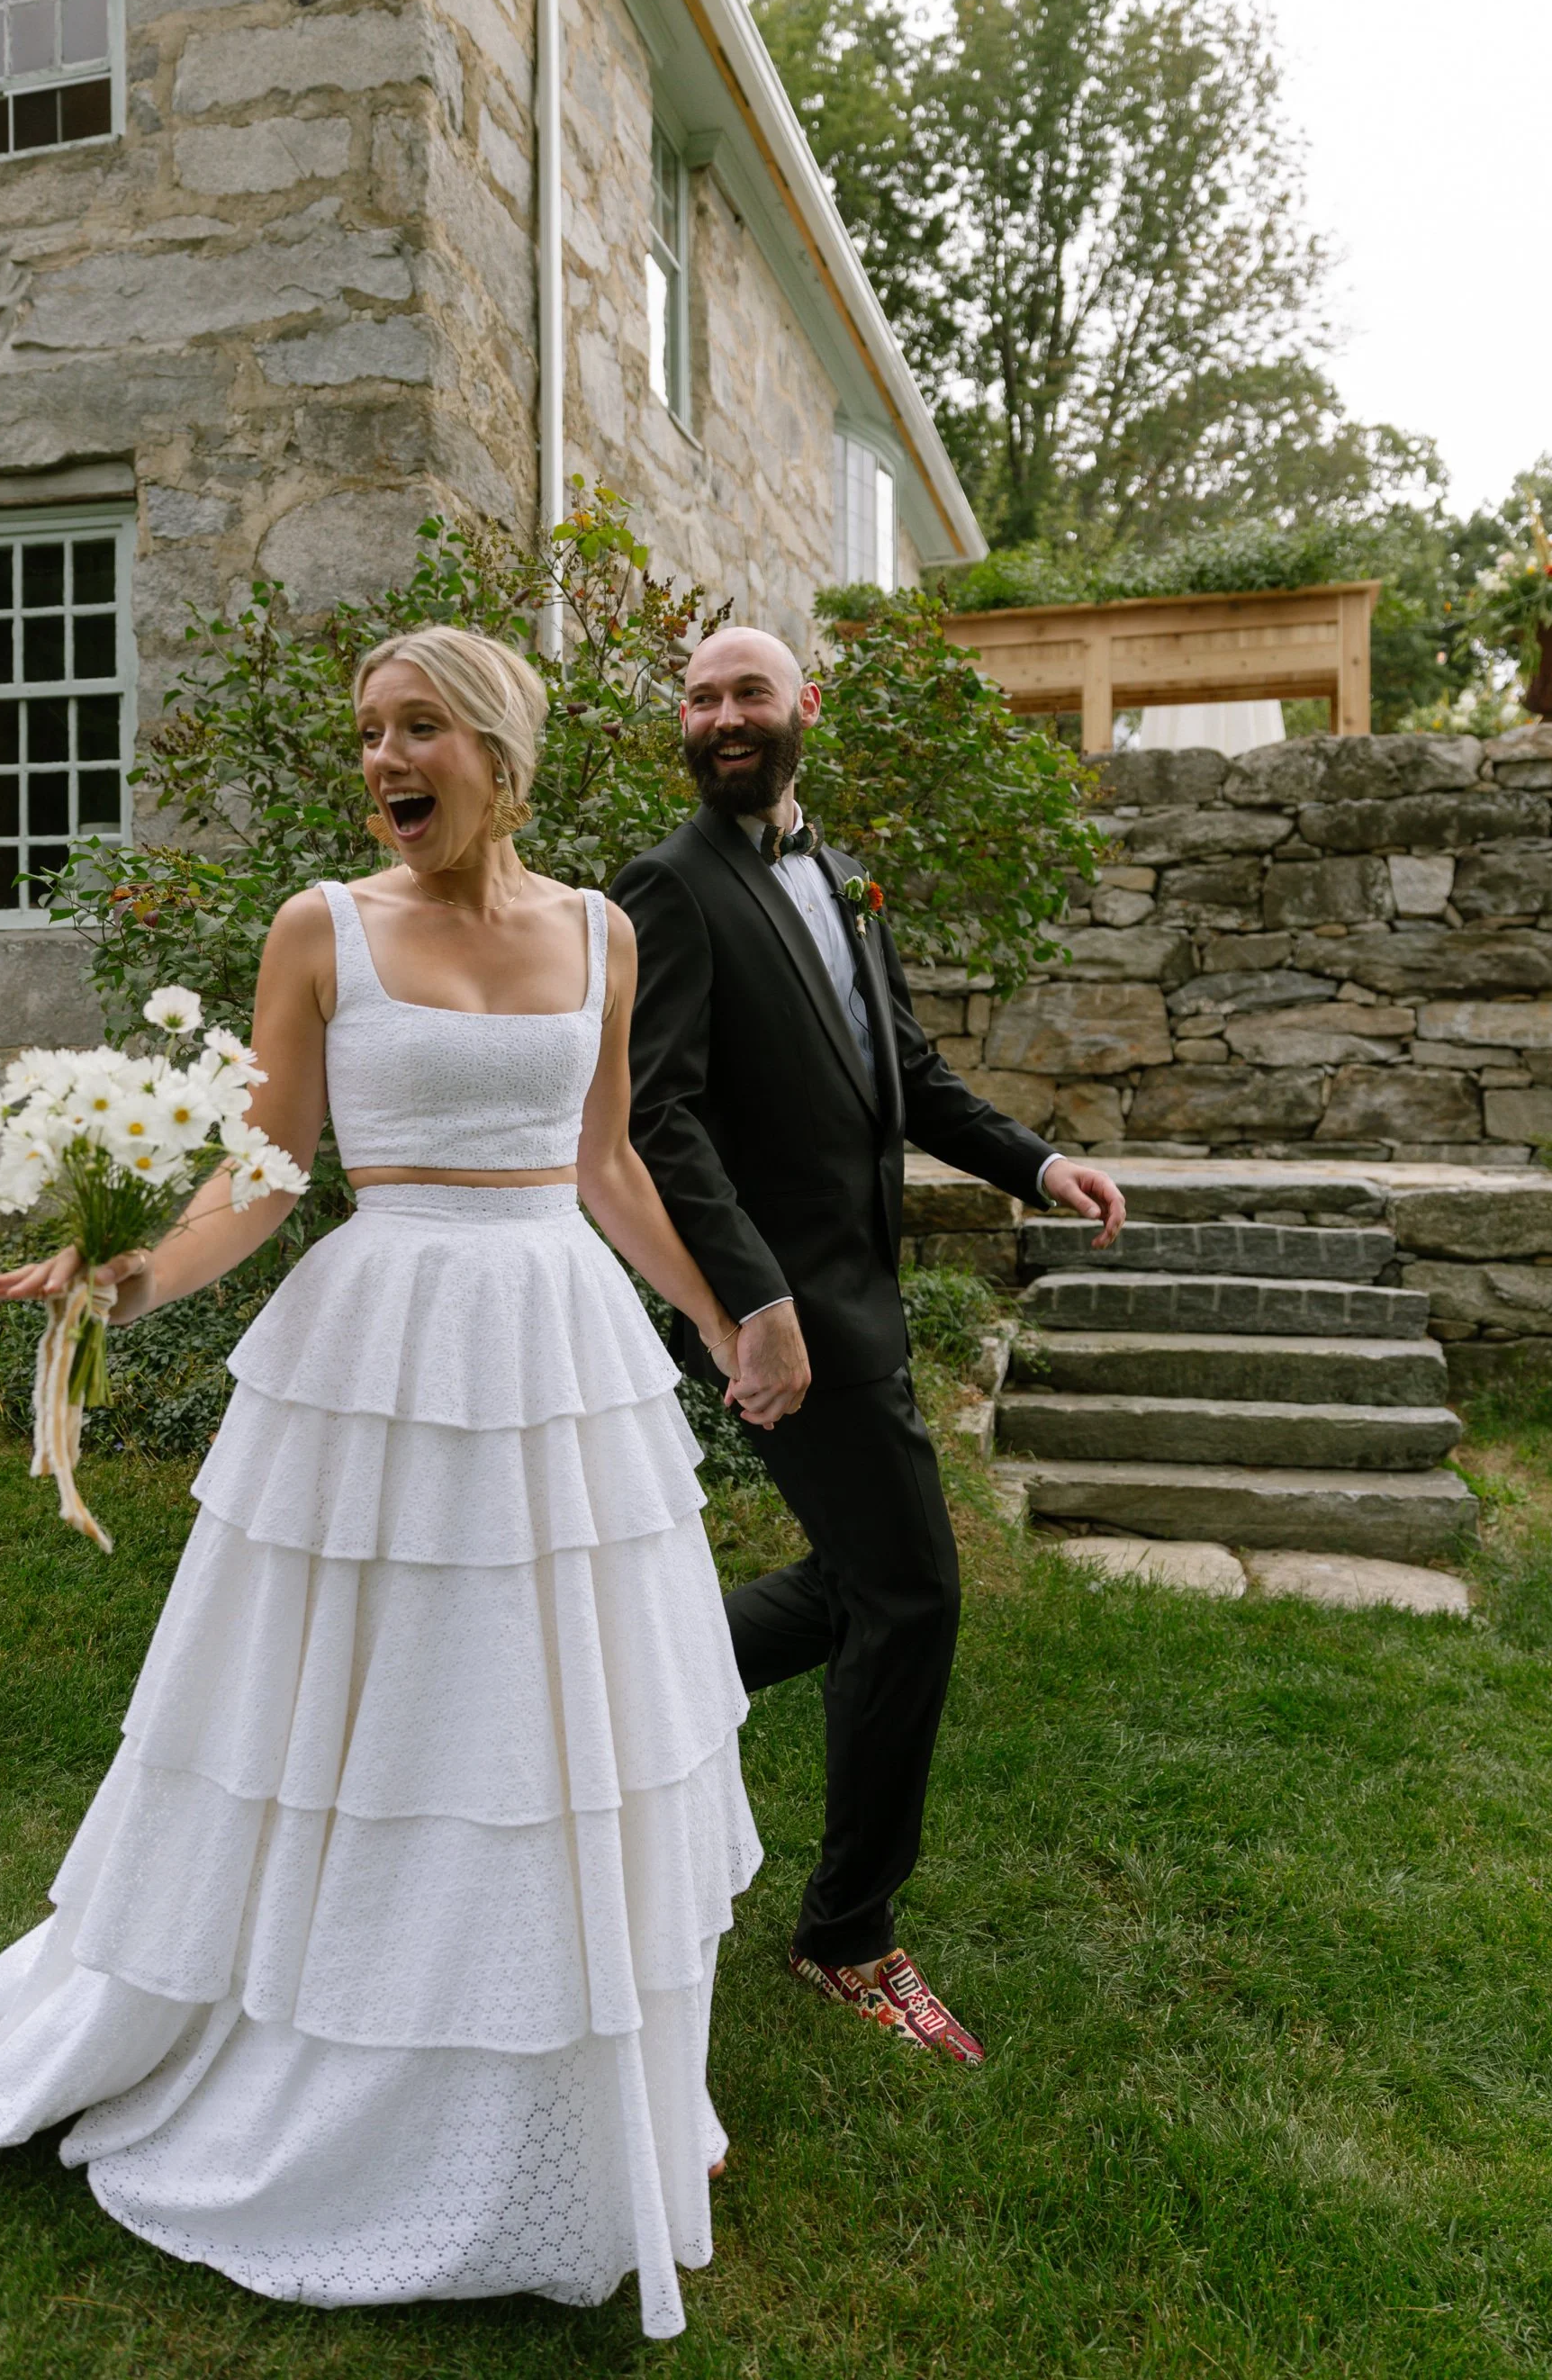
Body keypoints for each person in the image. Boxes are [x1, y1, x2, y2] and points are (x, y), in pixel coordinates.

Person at [0, 627, 763, 2343]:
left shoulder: (601, 930)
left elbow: (603, 1164)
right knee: (373, 1716)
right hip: (381, 1343)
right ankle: (335, 2057)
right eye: (367, 734)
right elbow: (269, 1177)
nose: (382, 760)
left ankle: (595, 2087)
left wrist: (730, 1321)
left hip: (561, 1357)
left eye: (415, 727)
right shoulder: (323, 929)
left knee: (558, 1718)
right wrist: (120, 1276)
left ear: (494, 747)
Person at [611, 626, 1125, 2064]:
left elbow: (901, 1071)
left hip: (863, 1292)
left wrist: (1034, 1167)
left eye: (746, 694)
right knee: (911, 1598)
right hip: (787, 1314)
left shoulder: (841, 874)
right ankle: (847, 1935)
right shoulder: (669, 885)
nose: (721, 715)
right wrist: (748, 1300)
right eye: (700, 697)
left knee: (861, 1588)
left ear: (799, 711)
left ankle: (622, 1685)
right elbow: (655, 1119)